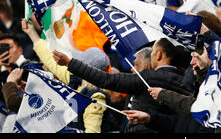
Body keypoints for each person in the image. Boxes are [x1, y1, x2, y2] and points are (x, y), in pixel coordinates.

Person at [52, 37, 195, 133]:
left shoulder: (148, 77)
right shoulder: (188, 84)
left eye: (152, 53)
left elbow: (106, 80)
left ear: (158, 55)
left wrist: (70, 63)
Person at [20, 19, 117, 133]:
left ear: (87, 70)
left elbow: (92, 131)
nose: (76, 65)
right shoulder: (73, 79)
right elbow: (49, 60)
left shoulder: (96, 97)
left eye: (80, 63)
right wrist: (31, 33)